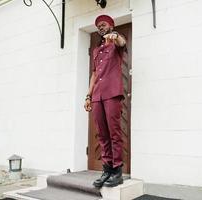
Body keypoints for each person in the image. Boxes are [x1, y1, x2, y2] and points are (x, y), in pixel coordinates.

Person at [84, 15, 126, 188]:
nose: (101, 27)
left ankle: (117, 172)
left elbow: (122, 42)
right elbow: (94, 74)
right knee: (102, 134)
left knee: (114, 133)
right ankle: (107, 170)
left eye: (103, 24)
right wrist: (88, 95)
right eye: (98, 26)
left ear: (111, 25)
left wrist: (116, 36)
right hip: (97, 96)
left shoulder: (115, 43)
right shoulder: (96, 50)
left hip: (112, 93)